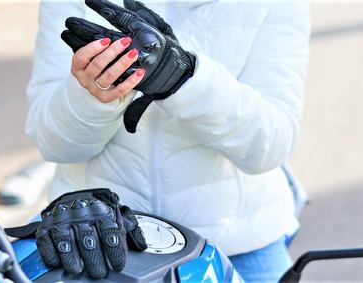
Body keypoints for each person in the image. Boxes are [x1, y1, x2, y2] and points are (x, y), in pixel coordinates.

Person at [25, 0, 310, 281]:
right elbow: (54, 144)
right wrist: (95, 97)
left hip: (240, 245)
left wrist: (182, 79)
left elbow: (270, 146)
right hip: (98, 239)